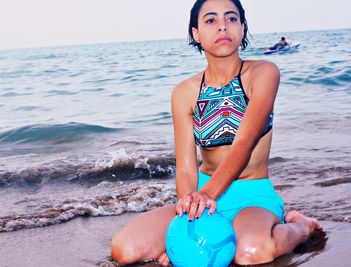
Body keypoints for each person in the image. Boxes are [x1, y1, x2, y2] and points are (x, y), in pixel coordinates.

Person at [111, 0, 322, 265]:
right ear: (196, 34)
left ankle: (299, 227)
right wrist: (185, 228)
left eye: (232, 19)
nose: (222, 25)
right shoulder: (184, 93)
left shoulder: (263, 73)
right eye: (210, 20)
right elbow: (186, 168)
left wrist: (208, 194)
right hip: (202, 195)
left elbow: (244, 143)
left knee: (251, 254)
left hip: (252, 196)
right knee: (125, 249)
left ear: (242, 28)